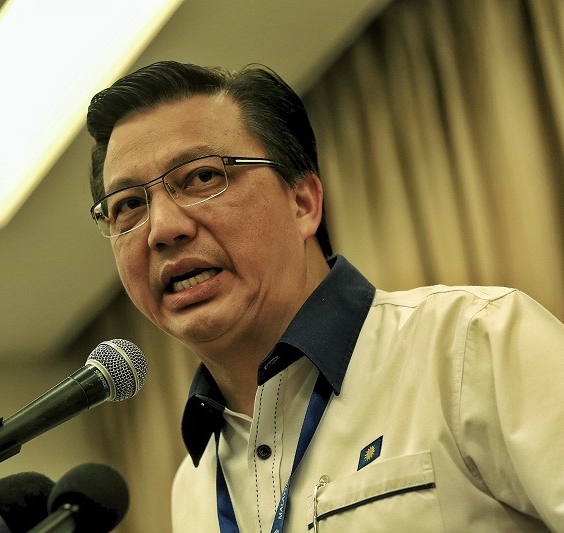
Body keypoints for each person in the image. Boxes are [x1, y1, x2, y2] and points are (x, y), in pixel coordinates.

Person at [84, 60, 564, 532]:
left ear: (303, 202)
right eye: (127, 206)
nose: (163, 229)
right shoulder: (192, 487)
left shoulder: (472, 345)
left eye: (202, 177)